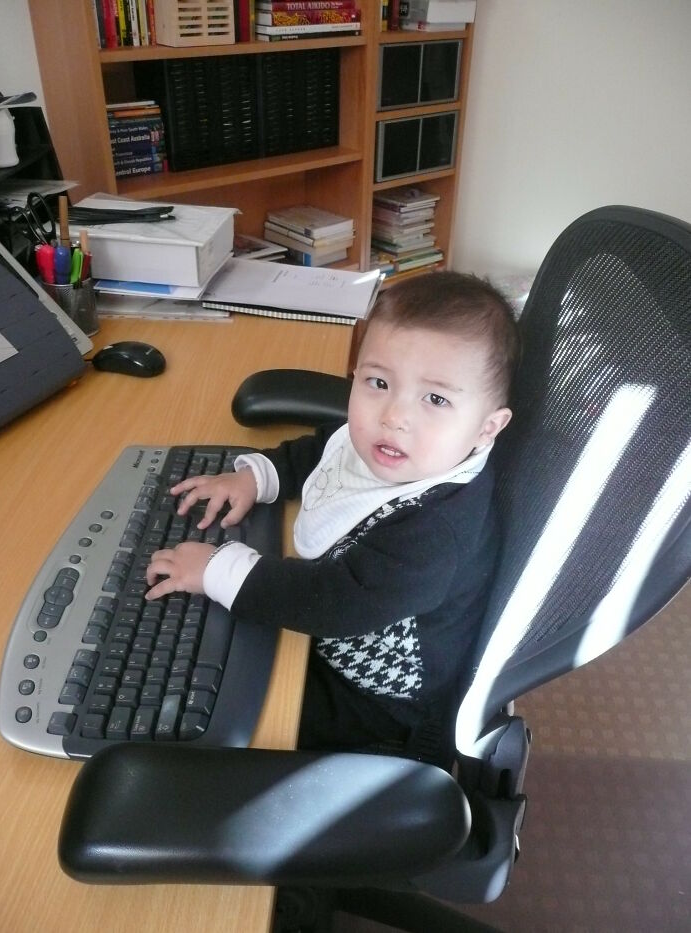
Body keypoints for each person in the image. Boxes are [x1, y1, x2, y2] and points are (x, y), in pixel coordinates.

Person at [146, 272, 520, 766]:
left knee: (198, 702)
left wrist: (219, 569)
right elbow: (329, 448)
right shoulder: (396, 447)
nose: (393, 416)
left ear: (487, 428)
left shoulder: (438, 528)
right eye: (378, 382)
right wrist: (259, 476)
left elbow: (336, 602)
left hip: (377, 706)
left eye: (436, 399)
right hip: (338, 632)